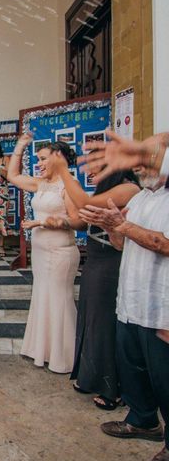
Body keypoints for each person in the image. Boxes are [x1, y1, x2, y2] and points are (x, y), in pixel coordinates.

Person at [78, 170, 169, 461]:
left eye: (147, 165)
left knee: (163, 375)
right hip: (131, 297)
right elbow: (120, 244)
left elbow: (163, 243)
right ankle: (142, 419)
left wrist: (123, 225)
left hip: (160, 301)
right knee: (132, 364)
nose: (141, 171)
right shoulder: (142, 198)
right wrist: (113, 227)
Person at [48, 153, 140, 409]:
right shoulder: (109, 187)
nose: (88, 172)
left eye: (94, 166)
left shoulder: (128, 188)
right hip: (96, 259)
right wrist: (62, 220)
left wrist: (63, 171)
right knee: (90, 318)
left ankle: (114, 388)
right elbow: (83, 218)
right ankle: (90, 376)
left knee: (104, 323)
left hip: (111, 263)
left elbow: (86, 203)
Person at [8, 134, 83, 374]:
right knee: (43, 295)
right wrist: (20, 147)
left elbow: (80, 222)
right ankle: (44, 351)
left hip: (60, 252)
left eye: (42, 159)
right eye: (37, 159)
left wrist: (52, 223)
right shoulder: (41, 183)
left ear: (58, 158)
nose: (38, 164)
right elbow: (12, 176)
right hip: (40, 252)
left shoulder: (68, 185)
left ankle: (66, 357)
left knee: (59, 299)